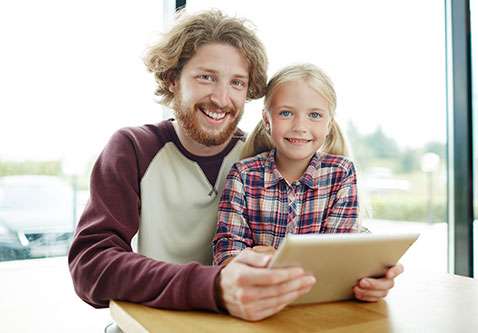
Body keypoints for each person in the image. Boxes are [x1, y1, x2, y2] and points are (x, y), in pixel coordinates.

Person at [68, 10, 316, 322]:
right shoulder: (133, 149)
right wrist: (213, 287)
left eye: (237, 83)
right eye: (206, 77)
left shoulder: (261, 153)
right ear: (173, 79)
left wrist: (361, 271)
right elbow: (91, 266)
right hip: (158, 323)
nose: (222, 98)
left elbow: (318, 232)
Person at [213, 64, 403, 302]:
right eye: (285, 113)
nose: (300, 126)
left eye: (314, 115)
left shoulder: (341, 173)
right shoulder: (243, 175)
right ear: (266, 119)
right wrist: (252, 261)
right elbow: (228, 253)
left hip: (325, 305)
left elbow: (339, 256)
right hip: (260, 301)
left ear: (329, 123)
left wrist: (268, 258)